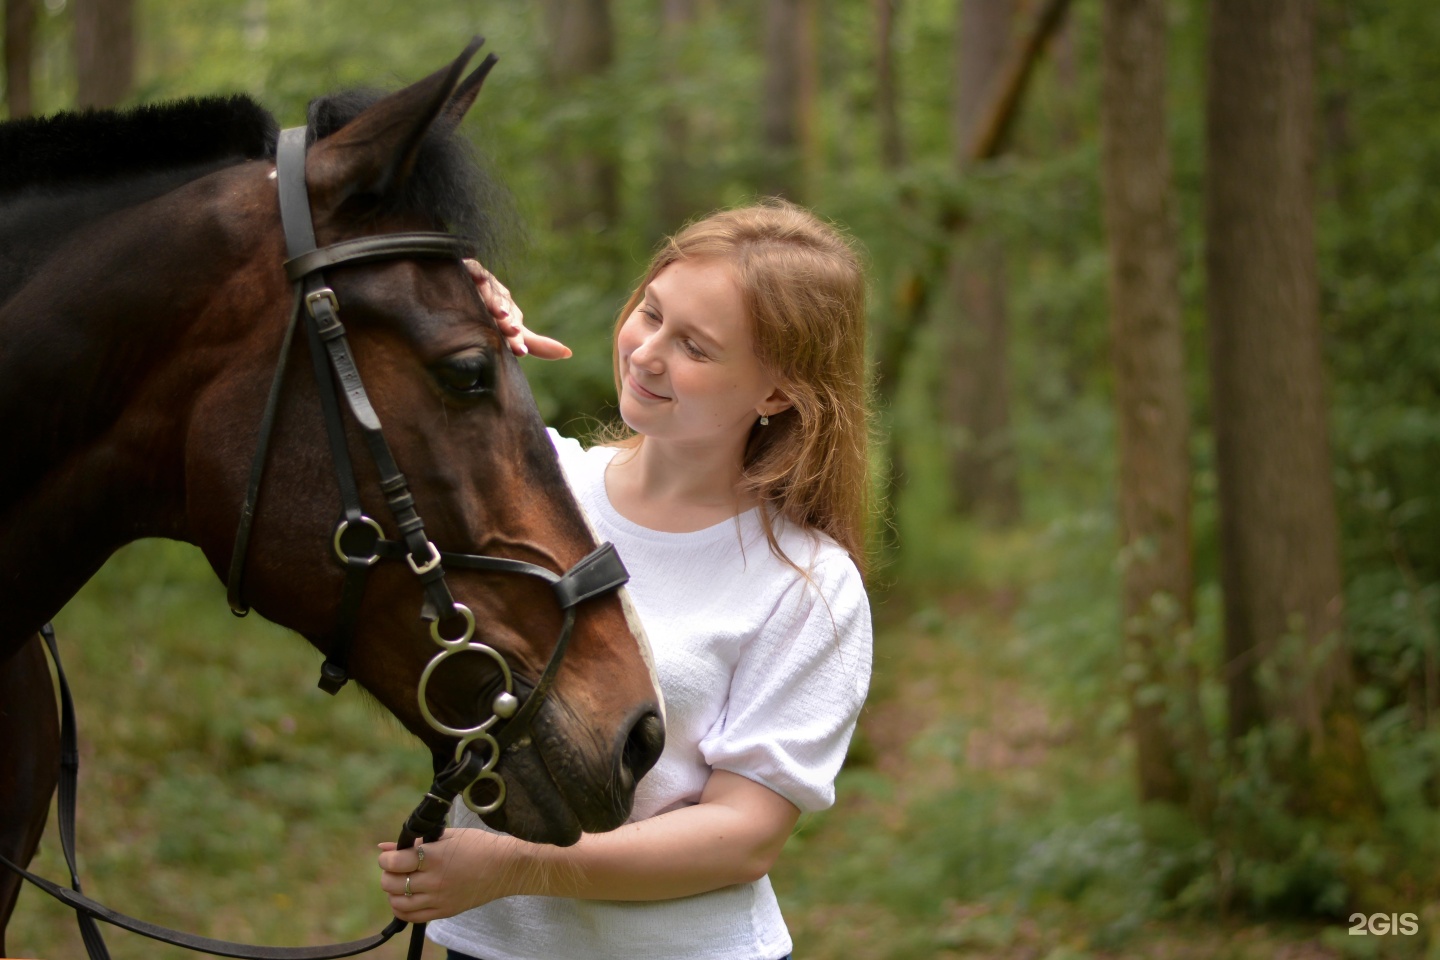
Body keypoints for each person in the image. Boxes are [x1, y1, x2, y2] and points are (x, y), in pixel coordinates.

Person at [377, 199, 874, 960]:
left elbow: (741, 837)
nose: (646, 354)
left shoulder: (807, 582)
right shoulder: (536, 484)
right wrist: (447, 301)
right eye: (650, 312)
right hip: (486, 949)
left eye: (696, 348)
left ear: (775, 393)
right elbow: (371, 418)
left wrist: (516, 865)